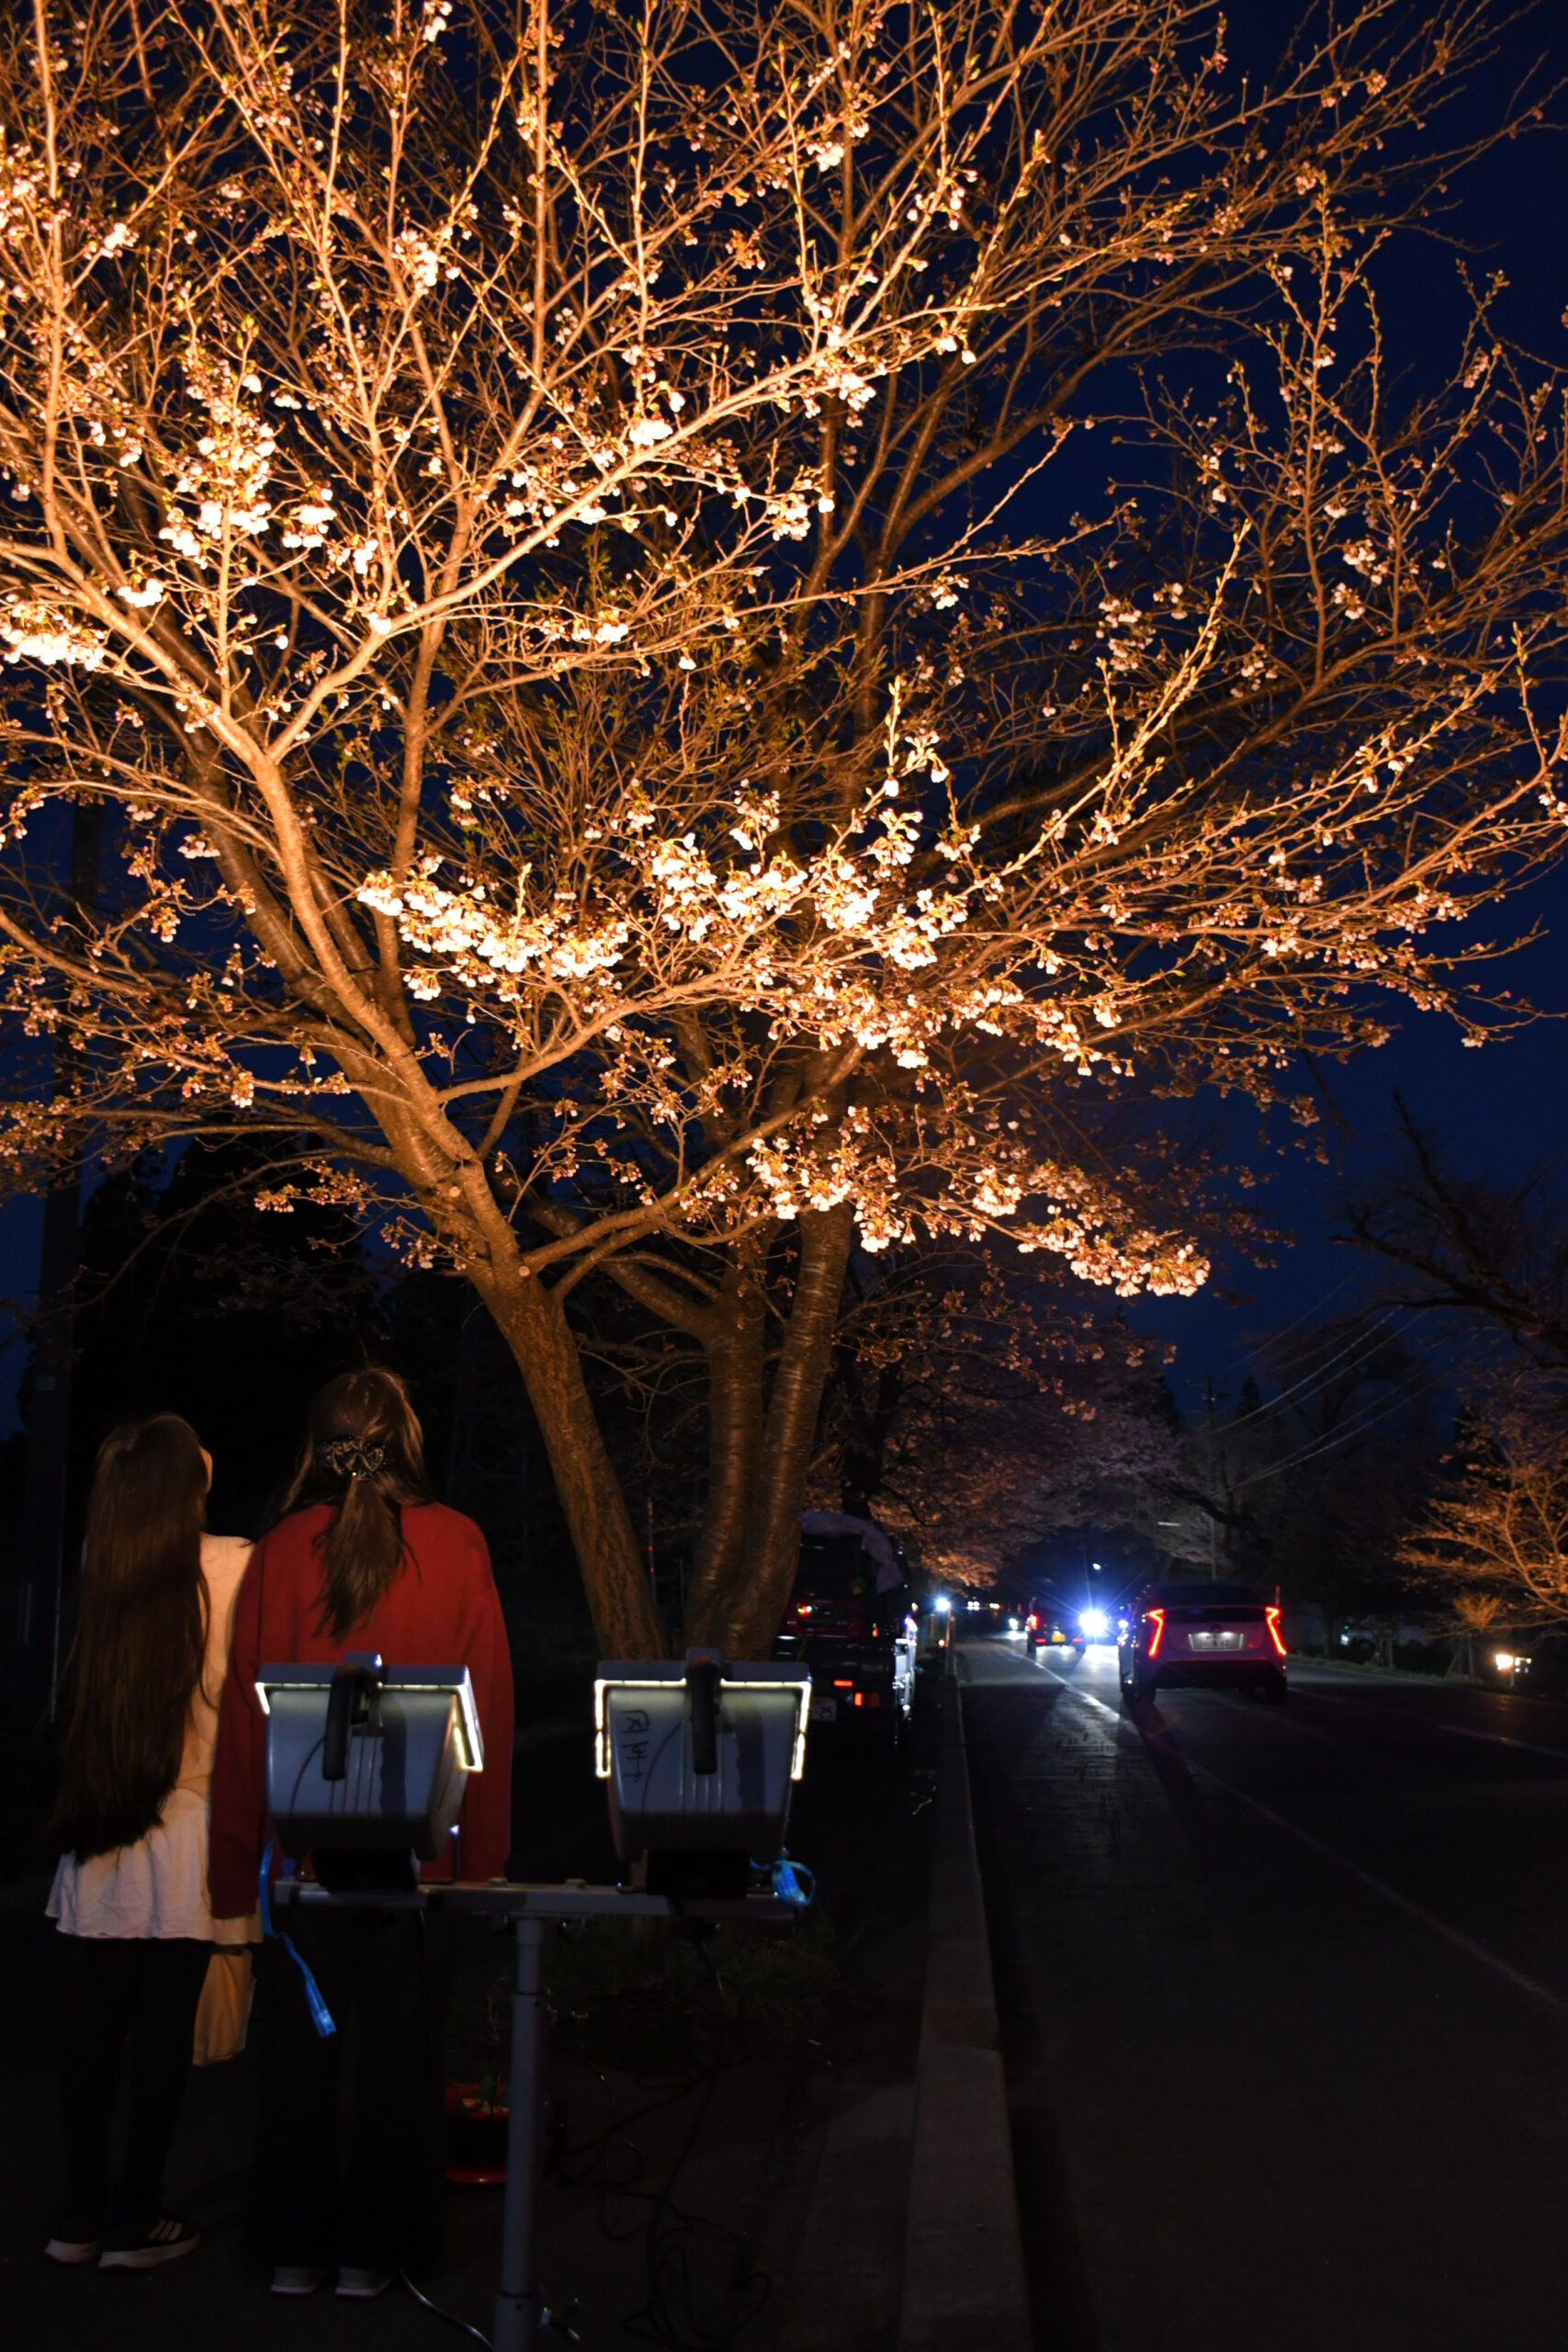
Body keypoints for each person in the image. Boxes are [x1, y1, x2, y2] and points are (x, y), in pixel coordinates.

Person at [209, 1366, 513, 2300]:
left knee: (300, 2056)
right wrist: (481, 1860)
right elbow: (488, 1711)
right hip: (420, 1857)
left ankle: (292, 2247)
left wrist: (234, 1865)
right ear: (405, 1438)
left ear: (318, 1442)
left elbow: (246, 1717)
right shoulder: (457, 1540)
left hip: (304, 1850)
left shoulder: (281, 1547)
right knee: (400, 2058)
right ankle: (374, 2252)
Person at [45, 1414, 254, 2270]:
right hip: (187, 1826)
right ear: (184, 1481)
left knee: (95, 2025)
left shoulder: (104, 1560)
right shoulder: (234, 1564)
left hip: (105, 1822)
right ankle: (140, 2214)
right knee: (164, 2032)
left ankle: (78, 2215)